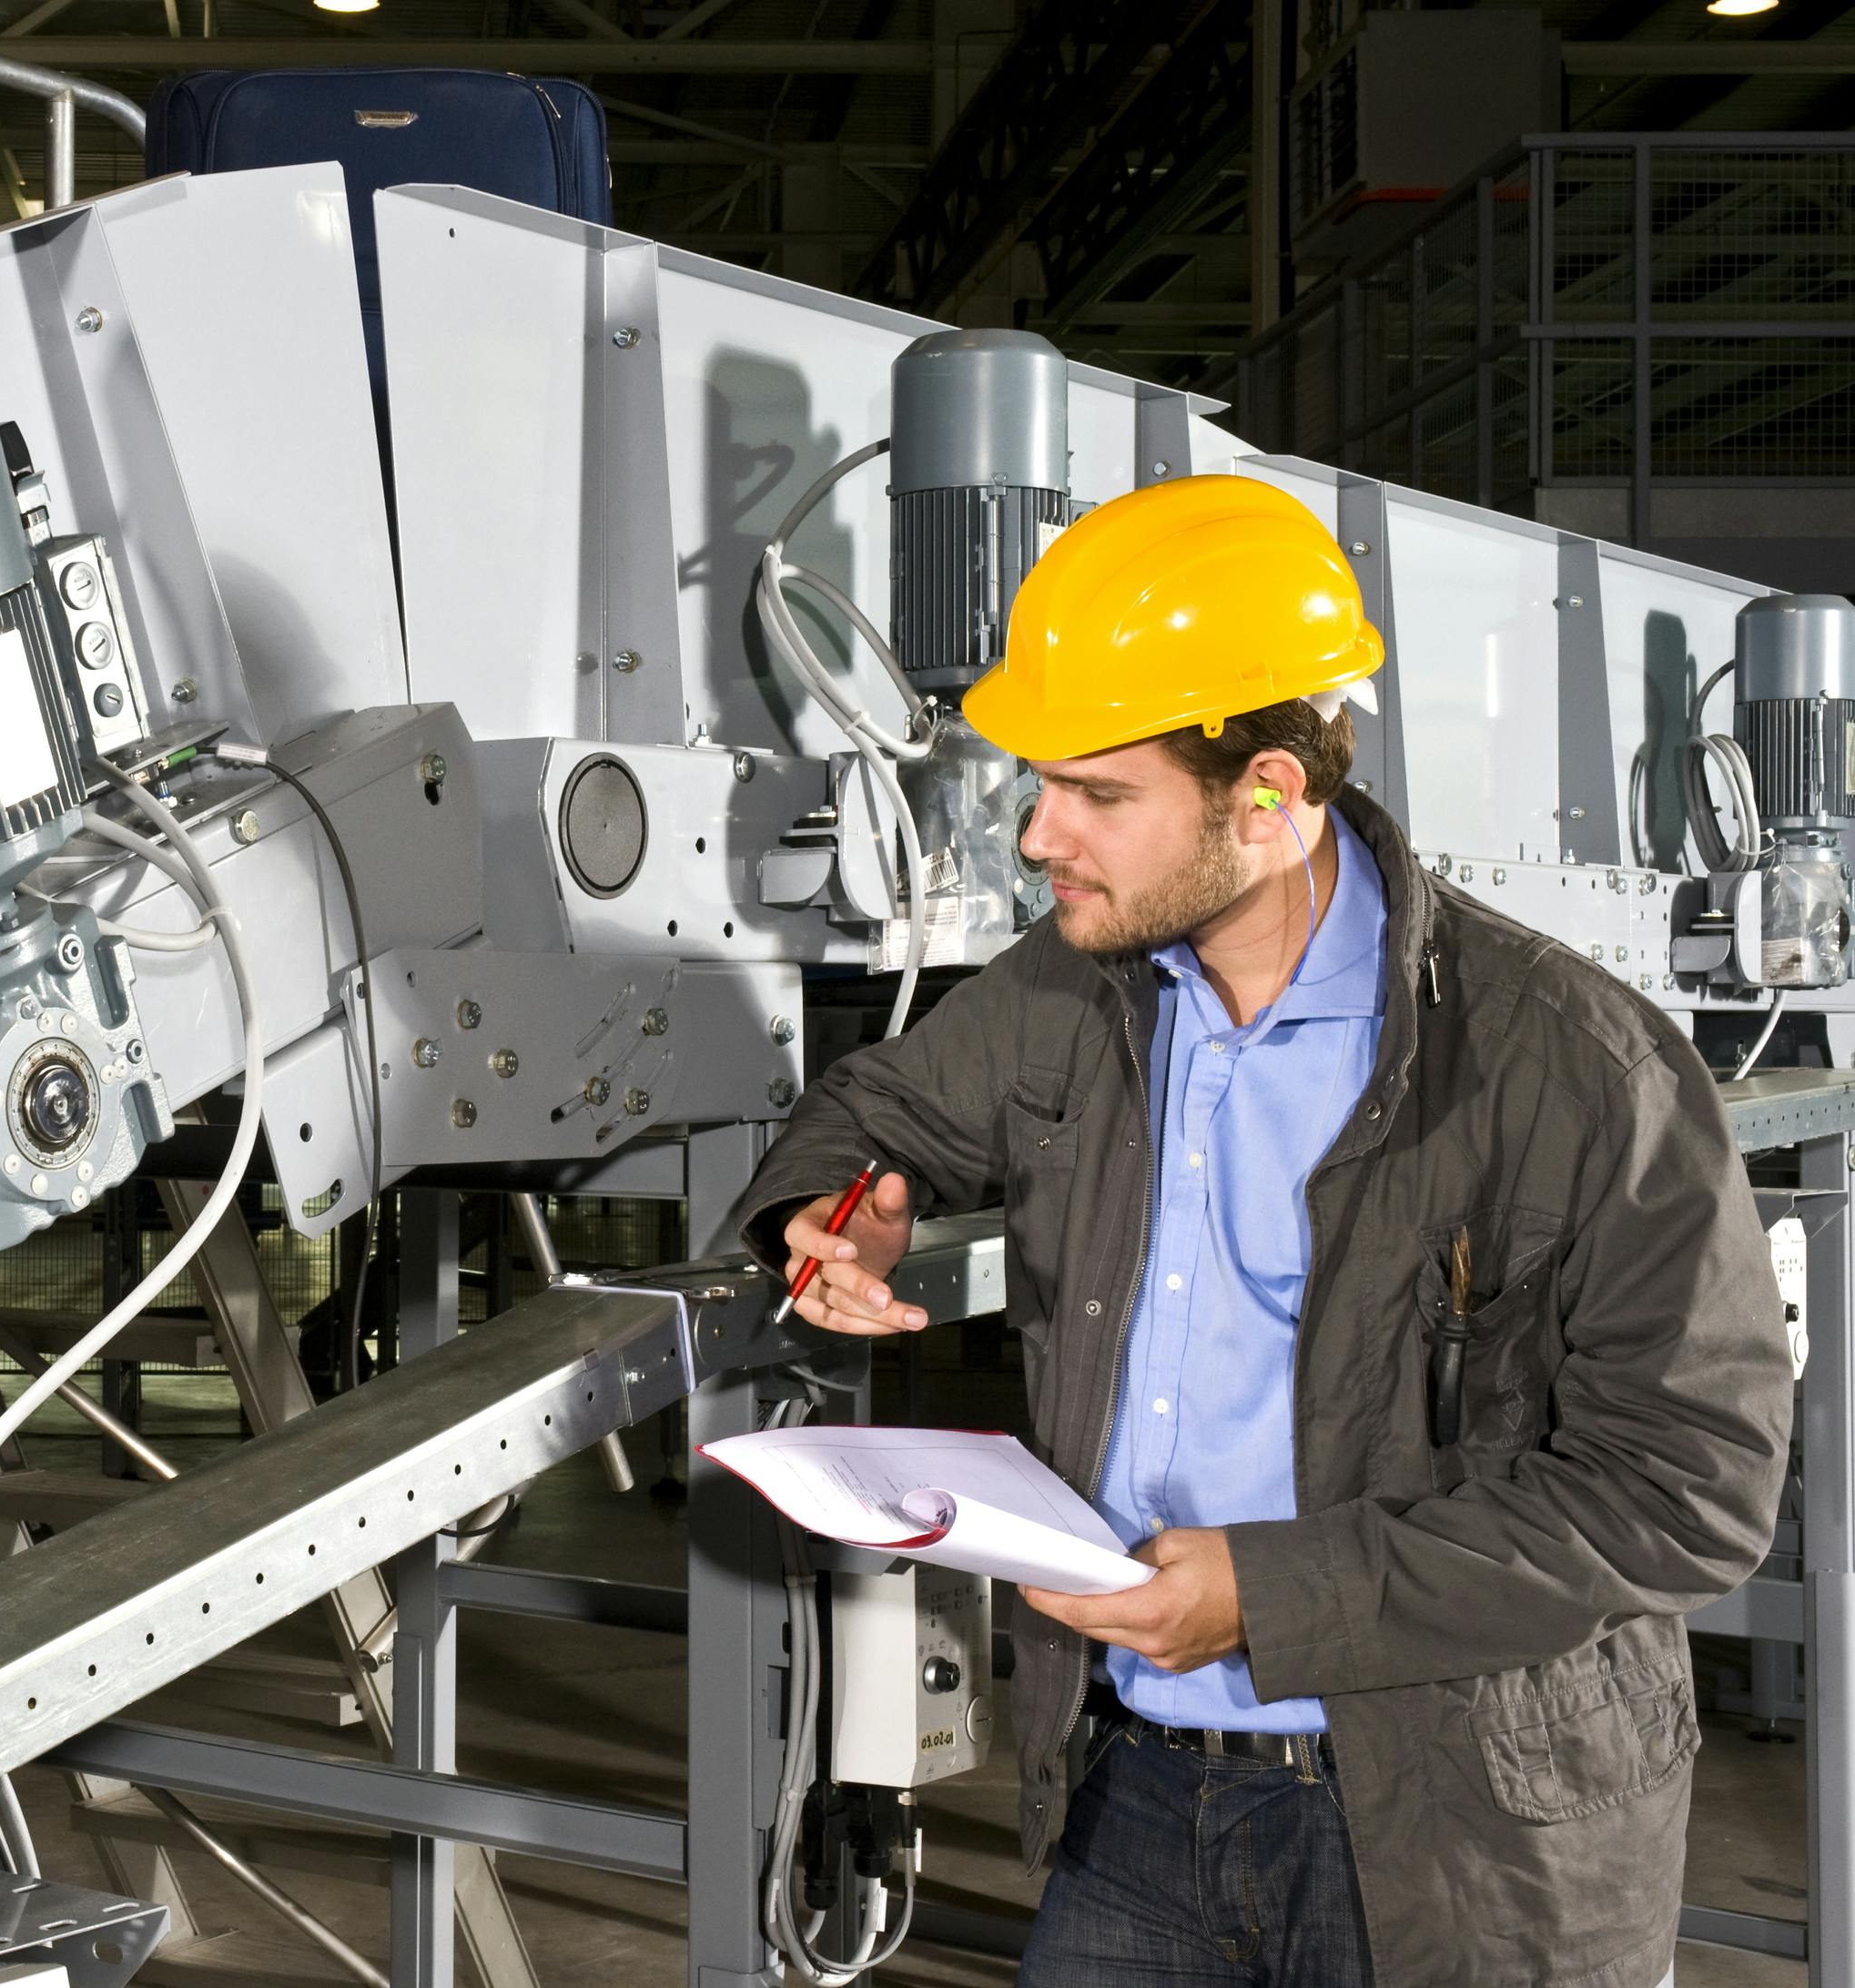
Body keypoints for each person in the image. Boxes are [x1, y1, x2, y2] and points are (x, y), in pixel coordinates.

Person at [731, 474, 1791, 1988]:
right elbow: (870, 1108)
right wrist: (836, 1217)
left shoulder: (1571, 1063)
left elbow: (1692, 1487)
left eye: (1099, 795)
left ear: (1272, 800)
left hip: (1460, 1825)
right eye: (1043, 784)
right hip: (1141, 1790)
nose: (1040, 836)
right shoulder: (1071, 989)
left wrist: (1269, 1597)